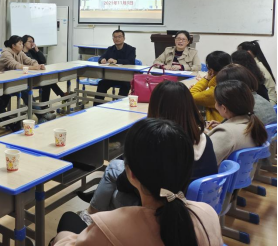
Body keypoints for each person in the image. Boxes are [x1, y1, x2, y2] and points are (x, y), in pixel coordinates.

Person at [54, 118, 223, 246]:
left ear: (131, 174)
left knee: (68, 218)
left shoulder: (109, 226)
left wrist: (63, 238)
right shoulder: (207, 214)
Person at [81, 81, 218, 215]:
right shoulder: (204, 139)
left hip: (162, 212)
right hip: (195, 207)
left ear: (156, 107)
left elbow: (125, 184)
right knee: (116, 168)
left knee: (114, 182)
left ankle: (91, 216)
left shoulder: (155, 144)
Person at [207, 80, 268, 165]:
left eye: (216, 101)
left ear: (224, 108)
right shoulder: (253, 125)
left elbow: (204, 164)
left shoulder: (226, 133)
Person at [0, 36, 50, 123]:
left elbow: (31, 61)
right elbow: (16, 66)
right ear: (13, 45)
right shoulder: (6, 54)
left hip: (15, 82)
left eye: (22, 43)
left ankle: (41, 114)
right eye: (20, 44)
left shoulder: (20, 53)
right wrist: (33, 68)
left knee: (27, 88)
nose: (22, 45)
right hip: (4, 84)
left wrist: (37, 65)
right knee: (25, 90)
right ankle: (41, 115)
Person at [22, 35, 68, 102]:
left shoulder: (32, 52)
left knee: (48, 81)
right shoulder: (21, 54)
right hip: (29, 77)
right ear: (24, 43)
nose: (32, 43)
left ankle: (45, 104)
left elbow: (43, 61)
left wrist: (37, 50)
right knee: (48, 81)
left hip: (37, 75)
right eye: (30, 41)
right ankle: (61, 95)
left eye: (33, 42)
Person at [190, 51, 231, 122]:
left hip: (217, 124)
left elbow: (191, 96)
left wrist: (206, 79)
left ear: (211, 71)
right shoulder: (233, 80)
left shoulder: (217, 90)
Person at [96, 30, 137, 98]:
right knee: (101, 83)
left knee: (126, 86)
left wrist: (117, 61)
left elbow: (131, 61)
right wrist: (102, 60)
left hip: (125, 78)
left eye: (119, 37)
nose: (117, 39)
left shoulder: (131, 49)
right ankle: (98, 103)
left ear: (124, 38)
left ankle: (119, 103)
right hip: (112, 76)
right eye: (115, 37)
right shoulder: (110, 49)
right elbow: (101, 57)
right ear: (113, 39)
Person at [238, 40, 277, 105]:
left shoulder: (258, 66)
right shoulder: (253, 65)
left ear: (249, 53)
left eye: (239, 51)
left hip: (269, 102)